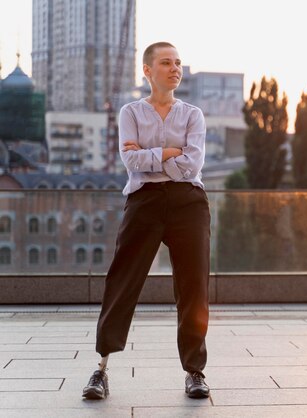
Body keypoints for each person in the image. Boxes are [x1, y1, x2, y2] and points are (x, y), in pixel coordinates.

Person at [82, 42, 211, 400]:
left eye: (179, 63)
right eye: (166, 63)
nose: (175, 69)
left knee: (193, 287)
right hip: (143, 202)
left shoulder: (193, 115)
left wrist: (151, 156)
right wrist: (170, 153)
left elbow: (192, 166)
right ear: (147, 70)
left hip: (189, 203)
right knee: (122, 279)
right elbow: (130, 162)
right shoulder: (131, 113)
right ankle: (101, 370)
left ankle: (195, 372)